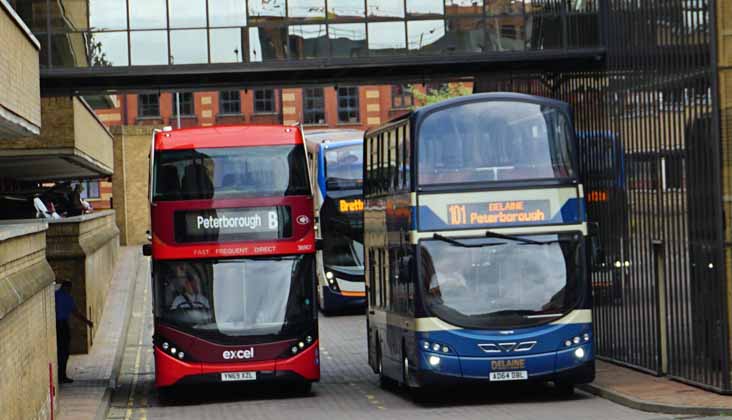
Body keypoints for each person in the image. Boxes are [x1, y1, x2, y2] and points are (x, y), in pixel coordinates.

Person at [55, 280, 93, 384]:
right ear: (66, 288)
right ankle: (62, 376)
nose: (70, 291)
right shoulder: (68, 298)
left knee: (59, 351)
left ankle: (59, 375)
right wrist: (88, 322)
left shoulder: (55, 295)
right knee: (65, 352)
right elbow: (76, 313)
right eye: (70, 289)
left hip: (55, 326)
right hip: (63, 326)